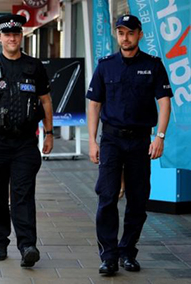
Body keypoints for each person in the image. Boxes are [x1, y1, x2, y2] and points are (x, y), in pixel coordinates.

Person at [0, 14, 54, 268]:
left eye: (16, 34)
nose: (12, 38)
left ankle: (27, 245)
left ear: (21, 36)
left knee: (23, 193)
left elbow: (46, 101)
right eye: (7, 34)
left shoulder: (34, 66)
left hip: (26, 142)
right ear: (0, 37)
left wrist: (49, 132)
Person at [86, 14, 172, 276]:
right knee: (108, 196)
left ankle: (128, 251)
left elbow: (165, 100)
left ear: (140, 34)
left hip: (139, 140)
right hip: (111, 139)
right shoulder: (105, 66)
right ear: (116, 35)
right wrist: (91, 140)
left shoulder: (153, 65)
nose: (125, 37)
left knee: (138, 199)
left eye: (130, 32)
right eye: (121, 32)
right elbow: (94, 104)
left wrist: (160, 136)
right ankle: (109, 256)